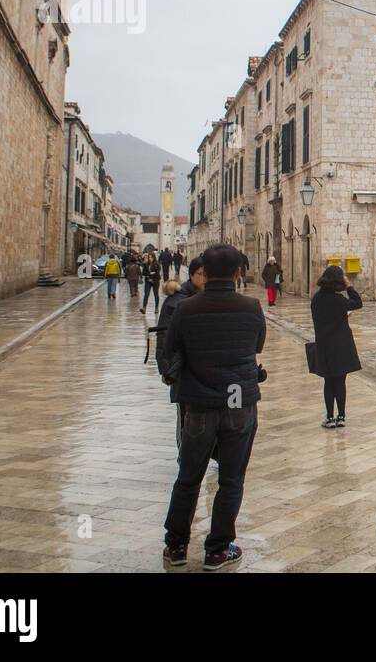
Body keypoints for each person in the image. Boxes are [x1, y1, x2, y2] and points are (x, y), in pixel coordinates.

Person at [161, 244, 265, 571]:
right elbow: (256, 344)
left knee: (189, 476)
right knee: (231, 478)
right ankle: (218, 550)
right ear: (237, 272)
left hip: (200, 402)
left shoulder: (186, 309)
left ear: (204, 271)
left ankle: (176, 546)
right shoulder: (251, 307)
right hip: (238, 400)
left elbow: (171, 348)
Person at [155, 256, 206, 448]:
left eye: (208, 275)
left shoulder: (209, 298)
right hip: (183, 371)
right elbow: (163, 337)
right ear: (191, 275)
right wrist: (167, 369)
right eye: (201, 274)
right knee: (186, 417)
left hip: (204, 371)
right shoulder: (176, 301)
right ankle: (184, 459)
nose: (205, 279)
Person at [308, 265, 362, 429]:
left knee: (328, 381)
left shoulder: (316, 299)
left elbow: (322, 318)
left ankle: (330, 417)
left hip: (324, 345)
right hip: (341, 346)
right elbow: (358, 303)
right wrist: (349, 285)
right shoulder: (339, 300)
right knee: (340, 382)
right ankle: (341, 416)